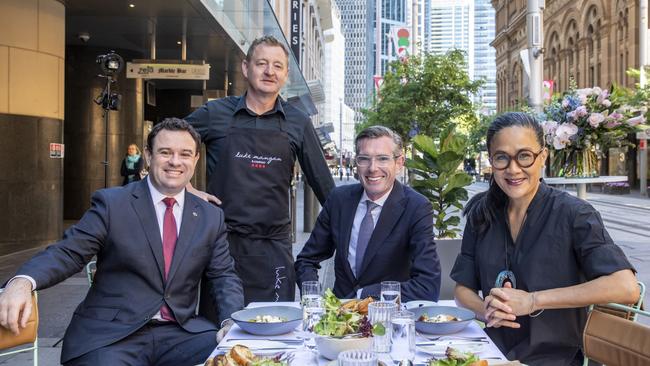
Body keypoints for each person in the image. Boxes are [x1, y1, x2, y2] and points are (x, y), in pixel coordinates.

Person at [0, 118, 244, 366]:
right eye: (165, 152)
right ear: (148, 156)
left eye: (185, 154)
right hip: (112, 336)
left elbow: (223, 275)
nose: (175, 161)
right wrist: (22, 282)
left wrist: (230, 322)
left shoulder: (210, 216)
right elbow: (68, 252)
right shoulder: (112, 204)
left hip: (180, 333)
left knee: (243, 358)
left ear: (195, 160)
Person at [450, 112, 639, 365]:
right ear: (491, 161)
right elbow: (462, 289)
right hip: (490, 352)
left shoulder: (574, 214)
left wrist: (533, 300)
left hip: (556, 357)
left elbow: (625, 287)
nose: (513, 169)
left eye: (524, 156)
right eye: (501, 158)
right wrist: (485, 310)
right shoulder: (482, 214)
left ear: (543, 157)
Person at [185, 35, 334, 303]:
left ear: (286, 74)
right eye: (262, 63)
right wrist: (186, 190)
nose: (269, 71)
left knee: (276, 327)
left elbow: (324, 184)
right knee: (220, 328)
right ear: (246, 68)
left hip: (273, 246)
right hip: (222, 243)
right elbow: (167, 140)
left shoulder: (297, 122)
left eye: (277, 66)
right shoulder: (215, 113)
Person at [295, 126, 441, 301]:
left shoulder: (416, 207)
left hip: (388, 318)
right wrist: (312, 298)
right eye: (364, 159)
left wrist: (363, 296)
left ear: (399, 163)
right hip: (340, 320)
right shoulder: (339, 200)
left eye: (382, 159)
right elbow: (306, 260)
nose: (372, 168)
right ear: (356, 162)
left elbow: (427, 285)